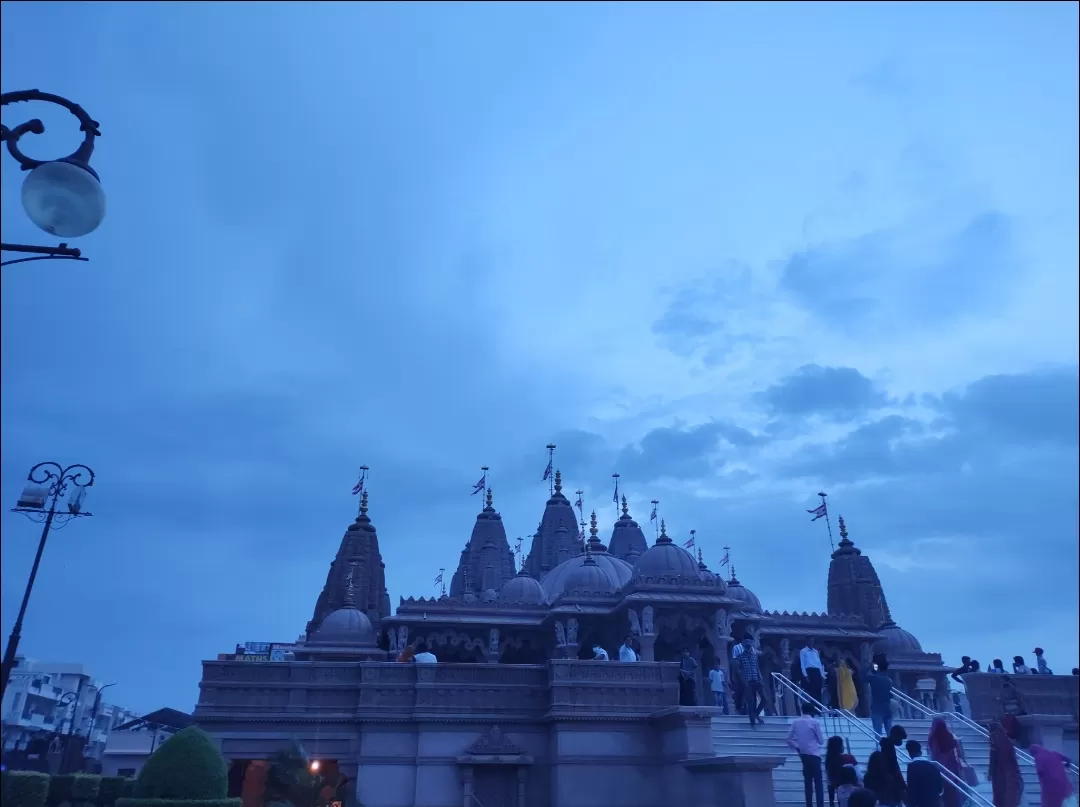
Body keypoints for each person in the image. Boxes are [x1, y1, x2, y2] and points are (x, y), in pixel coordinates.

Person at [787, 702, 826, 807]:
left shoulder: (795, 722)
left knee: (807, 782)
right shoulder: (814, 722)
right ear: (811, 711)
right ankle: (820, 805)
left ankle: (809, 804)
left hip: (804, 755)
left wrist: (797, 748)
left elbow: (788, 739)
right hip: (814, 754)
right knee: (818, 783)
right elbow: (821, 741)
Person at [927, 717, 966, 807]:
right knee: (954, 790)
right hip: (953, 768)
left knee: (943, 791)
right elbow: (958, 753)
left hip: (940, 768)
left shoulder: (934, 738)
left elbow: (934, 754)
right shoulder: (950, 736)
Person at [987, 720, 1024, 807]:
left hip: (999, 772)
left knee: (1000, 793)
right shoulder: (1007, 740)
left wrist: (990, 773)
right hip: (1011, 771)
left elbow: (993, 758)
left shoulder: (994, 737)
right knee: (1009, 794)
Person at [734, 634, 765, 726]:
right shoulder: (740, 656)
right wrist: (744, 682)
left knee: (765, 699)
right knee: (751, 703)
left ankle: (756, 714)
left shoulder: (754, 655)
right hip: (747, 682)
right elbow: (738, 671)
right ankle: (752, 723)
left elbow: (757, 667)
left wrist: (761, 678)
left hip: (757, 680)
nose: (748, 645)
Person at [864, 741, 905, 807]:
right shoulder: (891, 776)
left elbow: (868, 793)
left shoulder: (867, 777)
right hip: (893, 803)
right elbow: (898, 792)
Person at [905, 739, 944, 807]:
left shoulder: (912, 767)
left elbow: (912, 788)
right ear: (920, 751)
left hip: (921, 803)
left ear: (909, 753)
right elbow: (940, 787)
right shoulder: (933, 766)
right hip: (934, 802)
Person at [825, 735, 859, 807]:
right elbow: (859, 775)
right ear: (839, 747)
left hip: (840, 793)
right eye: (842, 745)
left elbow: (829, 783)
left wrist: (831, 802)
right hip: (853, 789)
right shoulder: (849, 758)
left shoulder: (829, 762)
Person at [864, 658, 894, 737]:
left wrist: (870, 667)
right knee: (890, 733)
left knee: (878, 734)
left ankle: (880, 748)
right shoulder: (889, 680)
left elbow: (864, 677)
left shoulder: (874, 678)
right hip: (887, 708)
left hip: (877, 709)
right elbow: (891, 695)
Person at [801, 637, 826, 712]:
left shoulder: (816, 652)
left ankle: (819, 711)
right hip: (809, 671)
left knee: (818, 692)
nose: (812, 643)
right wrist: (805, 675)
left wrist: (822, 675)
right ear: (807, 642)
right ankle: (813, 710)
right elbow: (802, 663)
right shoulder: (803, 651)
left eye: (813, 641)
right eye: (810, 641)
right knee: (812, 692)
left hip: (817, 671)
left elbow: (819, 664)